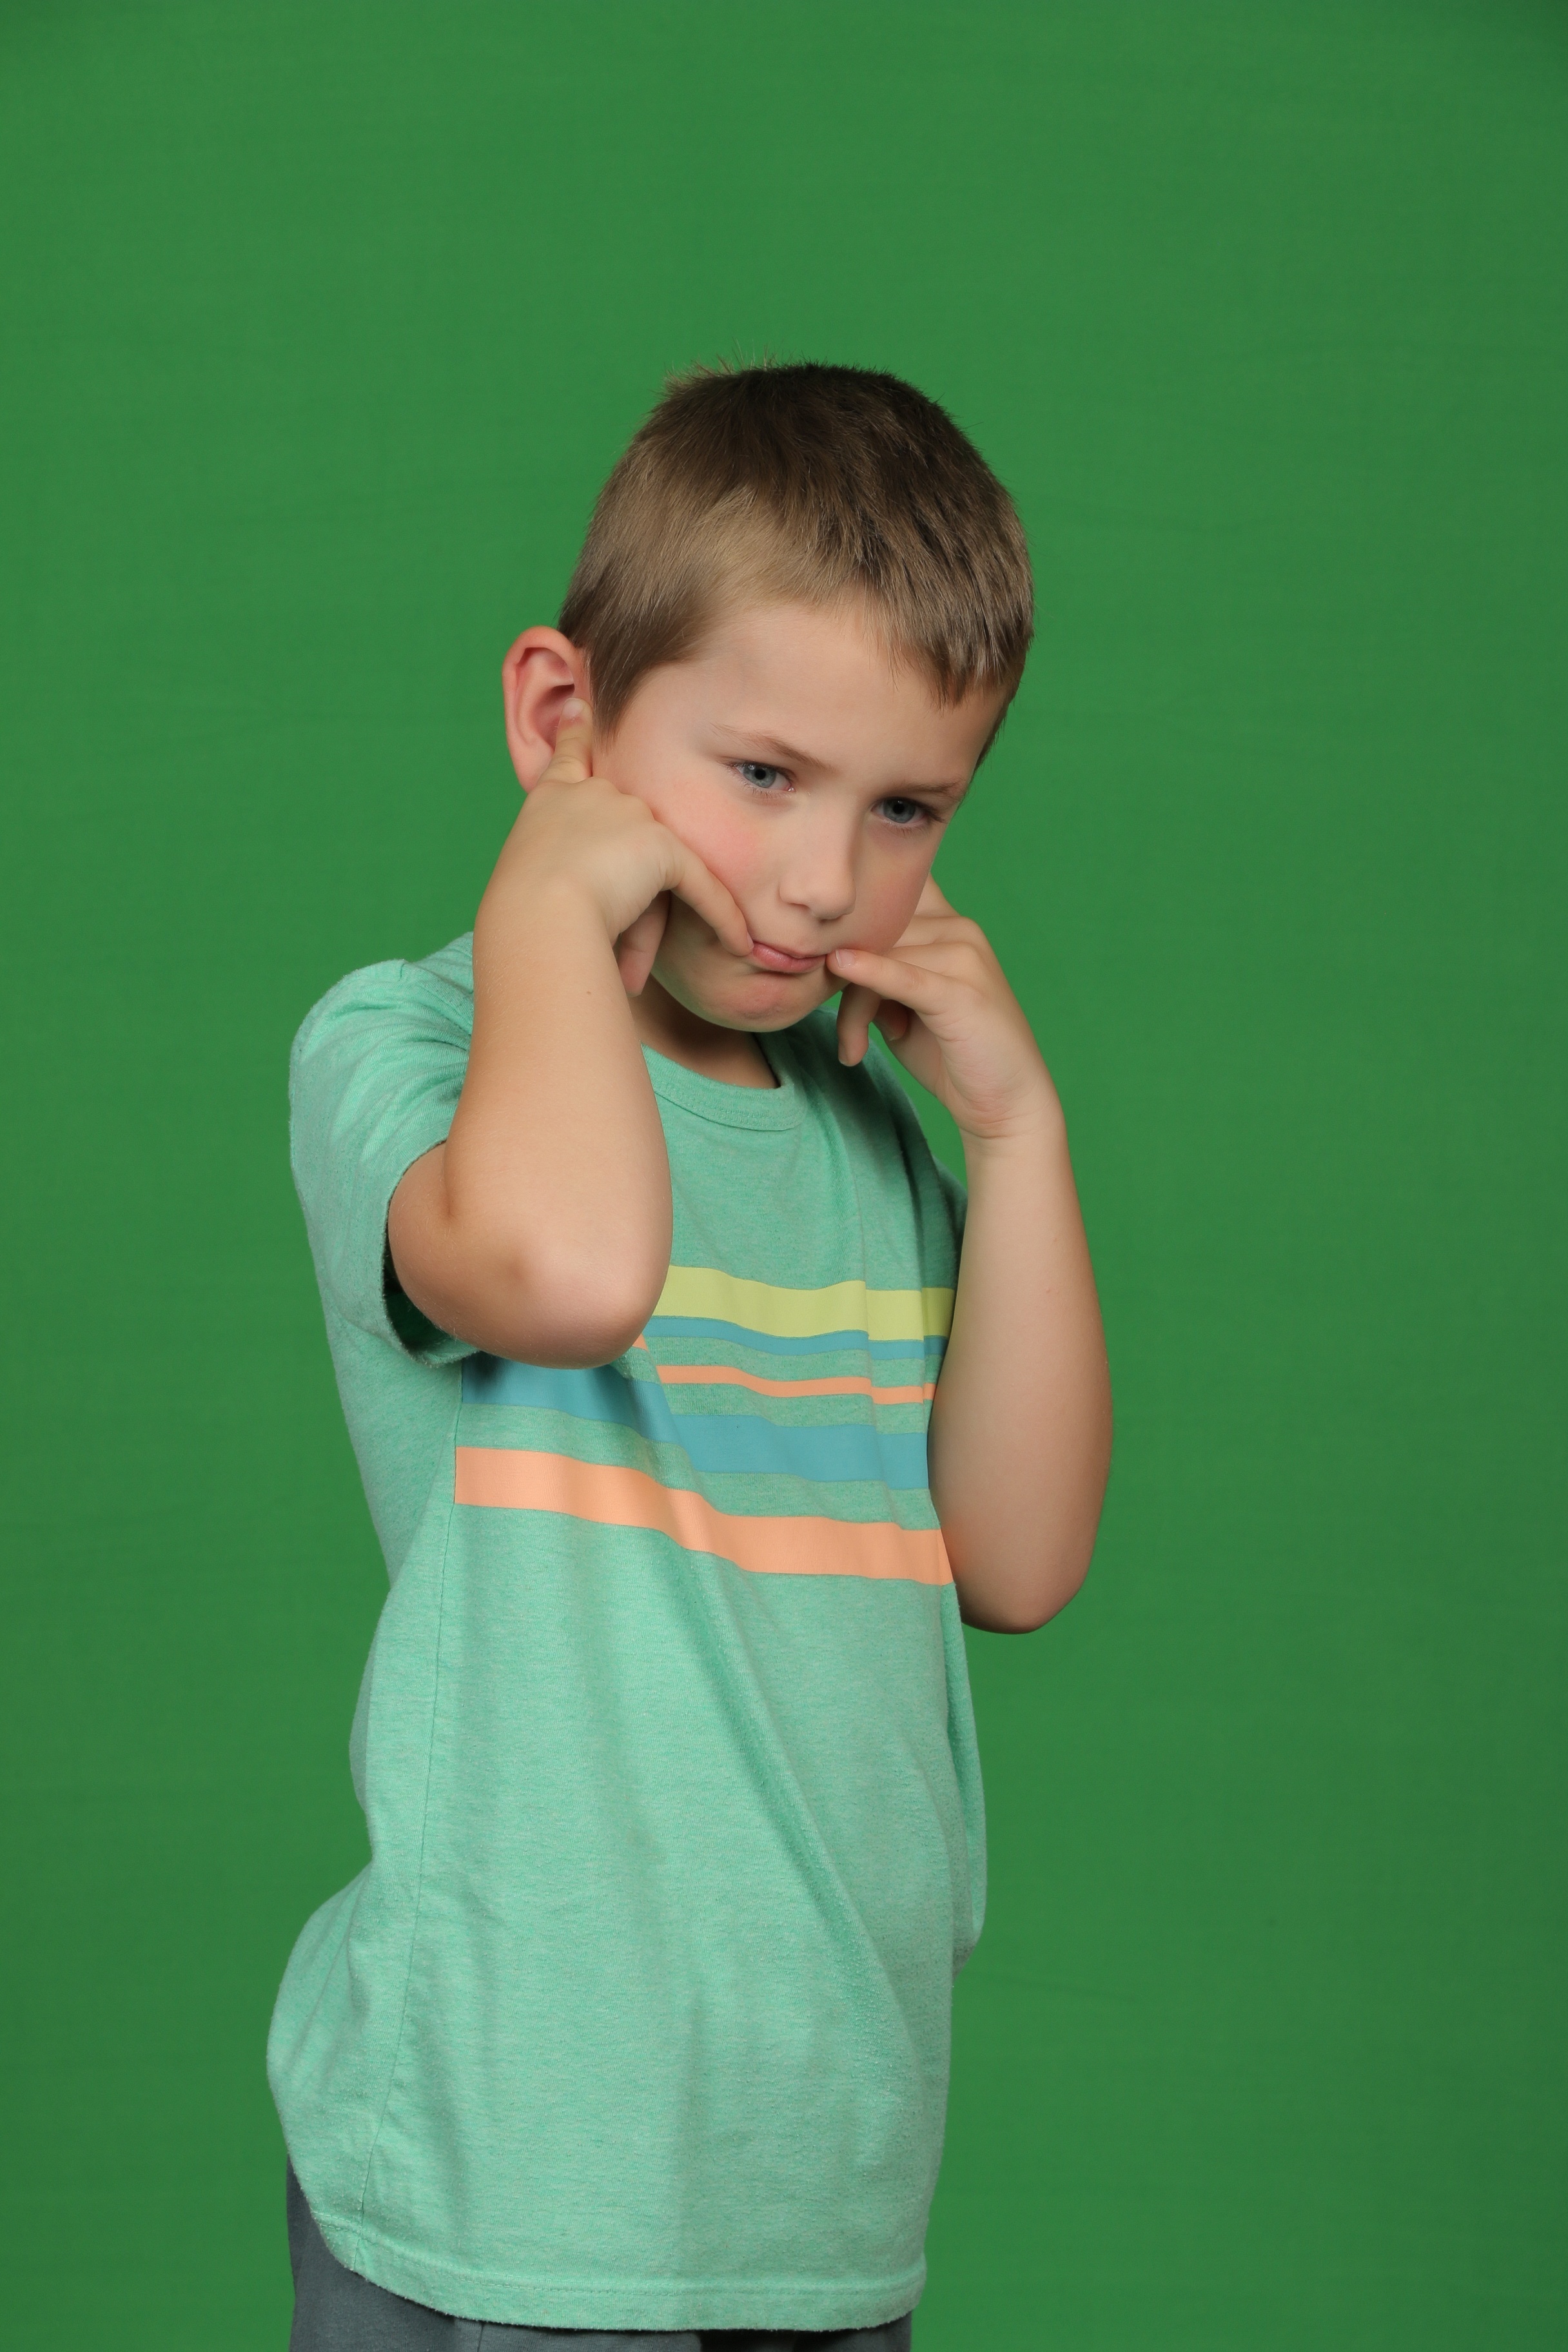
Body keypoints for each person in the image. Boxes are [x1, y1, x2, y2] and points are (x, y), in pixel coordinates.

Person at [271, 361, 1113, 2349]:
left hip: (818, 2160)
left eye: (905, 810)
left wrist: (1018, 1140)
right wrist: (549, 904)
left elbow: (1015, 1558)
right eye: (764, 775)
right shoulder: (408, 1051)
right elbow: (567, 1276)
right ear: (563, 716)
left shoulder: (872, 1148)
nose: (824, 882)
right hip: (519, 2163)